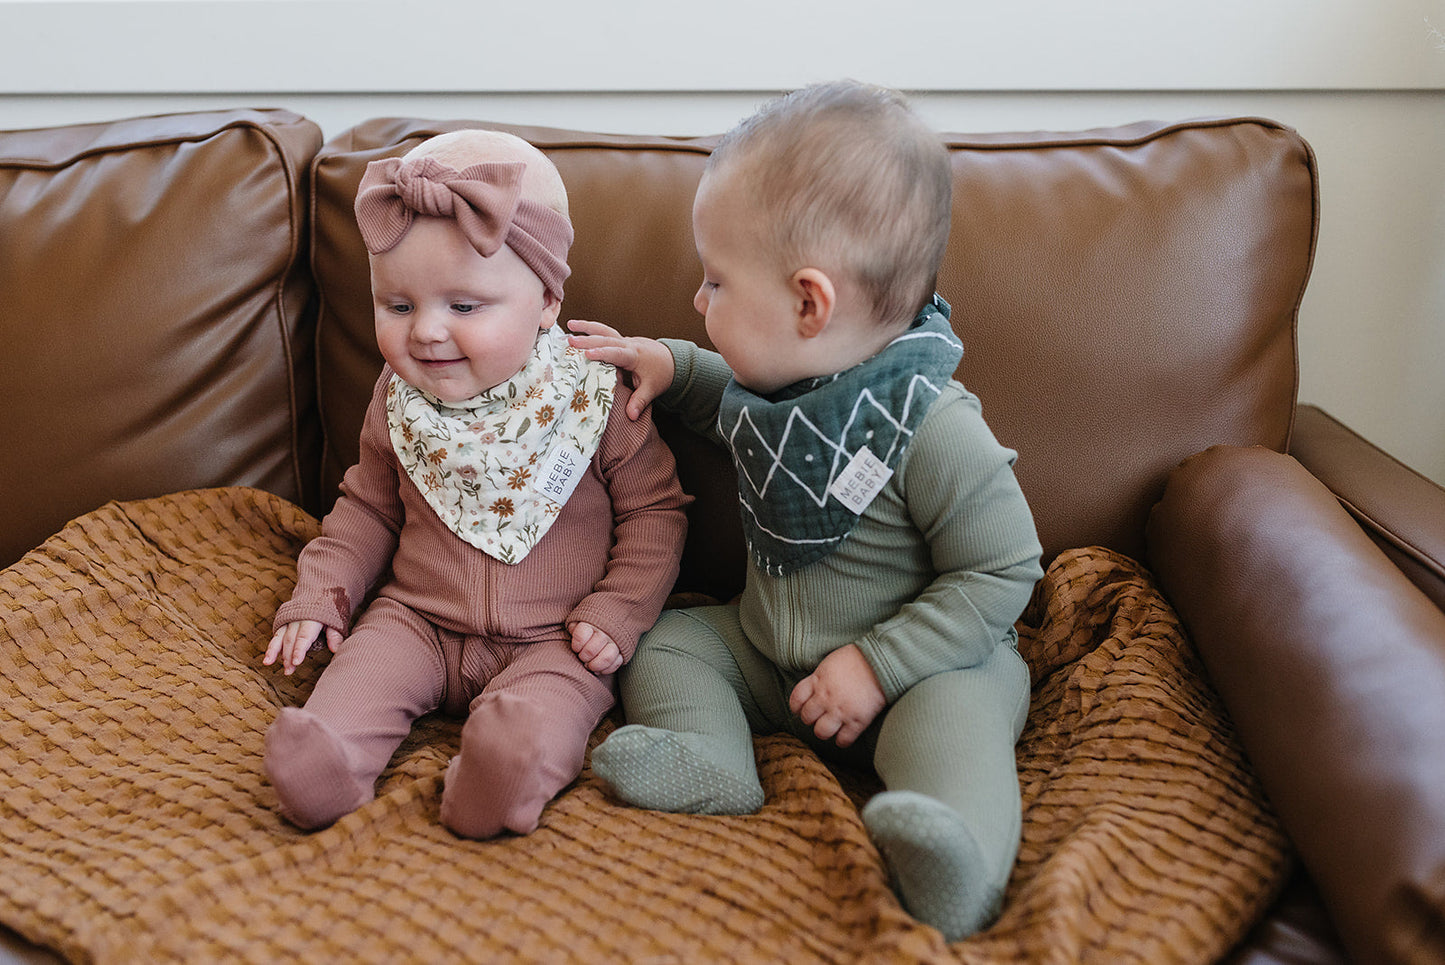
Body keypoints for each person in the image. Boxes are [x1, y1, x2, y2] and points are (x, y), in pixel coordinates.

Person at [567, 80, 1043, 940]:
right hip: (770, 652)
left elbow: (1002, 568)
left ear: (807, 304)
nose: (697, 303)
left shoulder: (929, 424)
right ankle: (713, 758)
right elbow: (739, 411)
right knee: (668, 641)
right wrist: (671, 363)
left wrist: (879, 667)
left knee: (955, 732)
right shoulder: (777, 385)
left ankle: (957, 854)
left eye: (715, 283)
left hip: (918, 672)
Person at [261, 129, 691, 840]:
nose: (425, 332)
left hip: (556, 637)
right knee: (360, 673)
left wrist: (617, 612)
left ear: (547, 300)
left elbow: (656, 513)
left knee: (547, 712)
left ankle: (501, 777)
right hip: (417, 619)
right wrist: (320, 593)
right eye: (397, 306)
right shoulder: (396, 398)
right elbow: (365, 508)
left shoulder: (596, 392)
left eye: (463, 307)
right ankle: (328, 762)